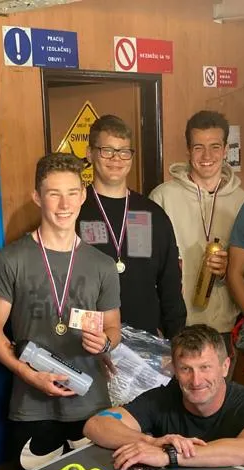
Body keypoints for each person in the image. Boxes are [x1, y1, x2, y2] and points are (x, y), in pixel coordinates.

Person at [0, 153, 122, 470]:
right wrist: (27, 374)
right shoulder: (10, 259)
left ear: (83, 196)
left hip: (91, 403)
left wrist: (105, 344)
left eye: (72, 193)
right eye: (53, 193)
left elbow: (114, 327)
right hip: (32, 406)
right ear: (37, 197)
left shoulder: (102, 265)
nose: (64, 204)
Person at [83, 324, 244, 470]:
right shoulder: (161, 398)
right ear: (174, 369)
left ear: (225, 367)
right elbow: (96, 425)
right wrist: (149, 442)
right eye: (185, 369)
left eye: (205, 367)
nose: (196, 380)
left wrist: (169, 455)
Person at [77, 114, 186, 338]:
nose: (116, 159)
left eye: (124, 151)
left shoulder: (152, 214)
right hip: (91, 340)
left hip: (146, 341)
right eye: (107, 150)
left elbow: (171, 286)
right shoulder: (74, 210)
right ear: (90, 153)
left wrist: (177, 340)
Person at [149, 111, 244, 346]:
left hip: (222, 326)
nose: (207, 156)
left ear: (225, 150)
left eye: (215, 147)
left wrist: (228, 269)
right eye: (198, 147)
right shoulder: (161, 197)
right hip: (173, 324)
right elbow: (146, 265)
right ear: (188, 150)